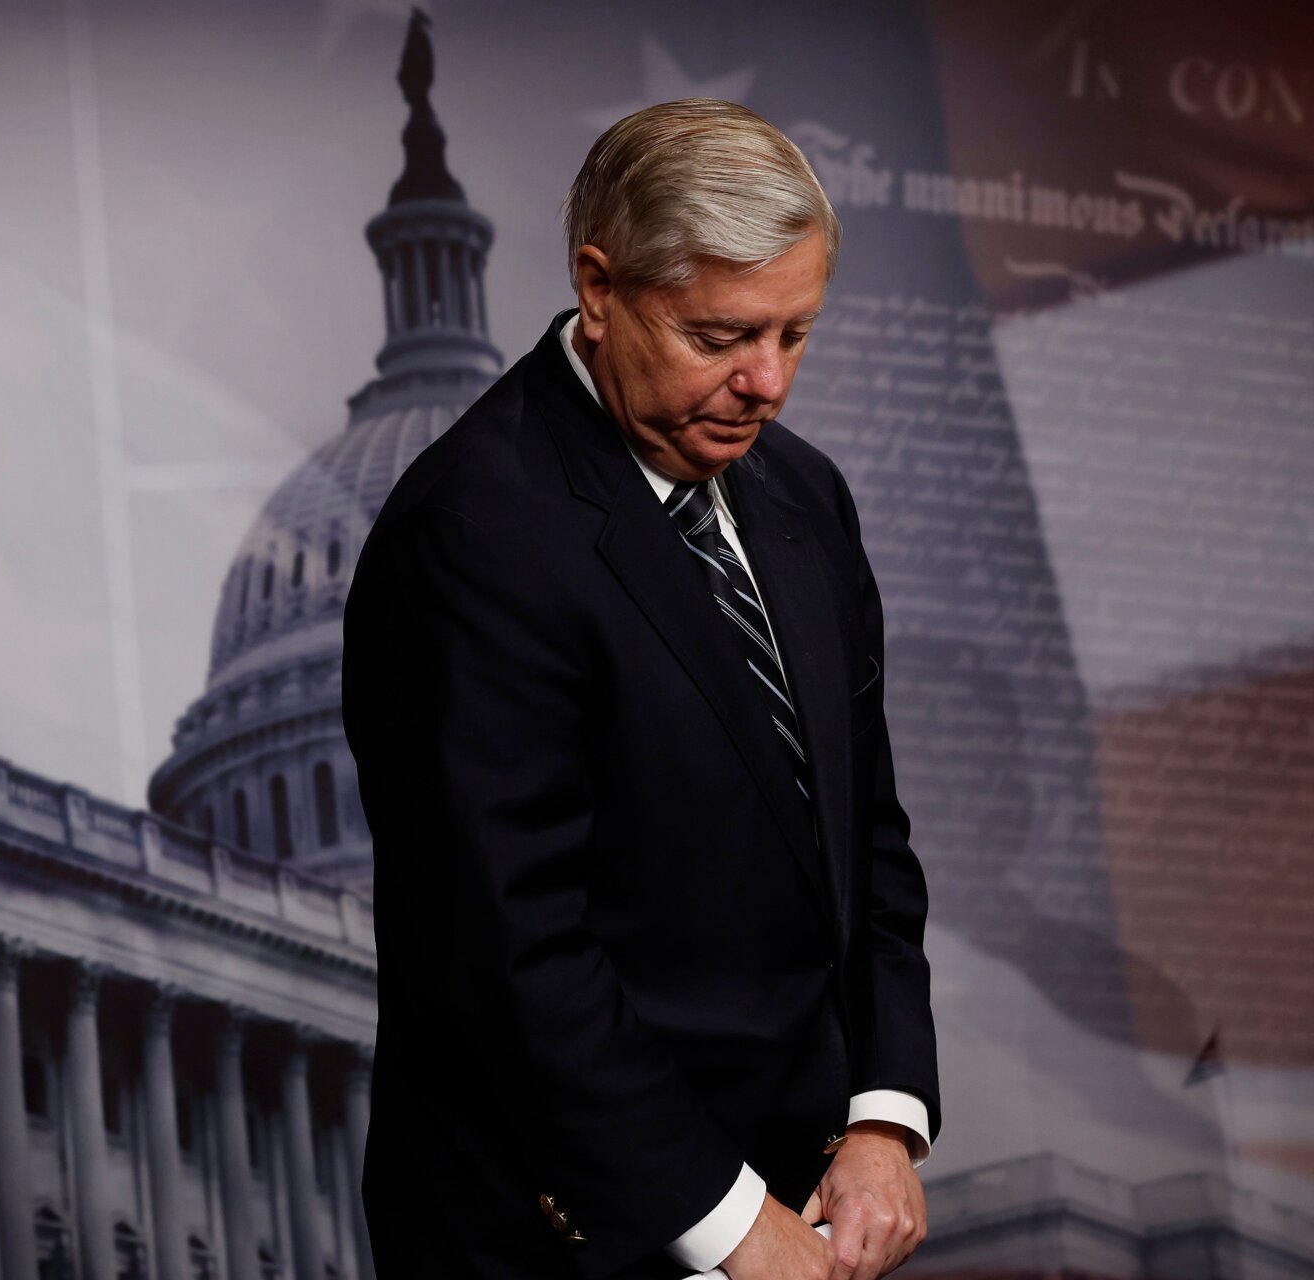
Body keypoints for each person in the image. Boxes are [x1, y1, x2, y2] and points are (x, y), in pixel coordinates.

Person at [341, 99, 941, 1280]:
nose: (765, 383)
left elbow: (864, 839)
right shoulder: (469, 533)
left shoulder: (805, 494)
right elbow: (510, 955)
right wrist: (725, 1220)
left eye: (796, 334)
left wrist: (882, 1114)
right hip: (568, 1233)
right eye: (720, 335)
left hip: (807, 1208)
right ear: (601, 289)